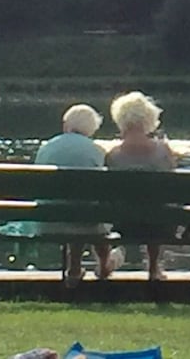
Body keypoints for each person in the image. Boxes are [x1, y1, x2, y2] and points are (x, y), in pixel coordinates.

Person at [35, 103, 123, 286]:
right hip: (85, 220)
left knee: (80, 209)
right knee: (90, 211)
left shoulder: (46, 148)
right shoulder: (96, 150)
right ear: (91, 129)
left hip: (47, 221)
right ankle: (104, 263)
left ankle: (75, 267)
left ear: (66, 124)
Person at [105, 91, 176, 280]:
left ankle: (108, 260)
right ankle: (153, 268)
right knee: (157, 207)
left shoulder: (113, 155)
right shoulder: (164, 151)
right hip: (160, 224)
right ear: (149, 118)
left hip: (122, 224)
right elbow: (171, 188)